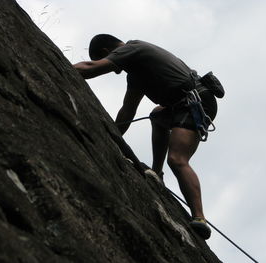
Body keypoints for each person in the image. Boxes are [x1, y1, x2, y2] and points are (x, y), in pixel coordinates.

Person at [73, 34, 219, 240]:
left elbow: (91, 68)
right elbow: (127, 111)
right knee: (157, 116)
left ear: (107, 52)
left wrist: (60, 66)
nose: (115, 70)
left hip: (195, 101)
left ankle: (200, 218)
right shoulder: (135, 75)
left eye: (104, 58)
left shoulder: (132, 49)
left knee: (177, 159)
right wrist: (111, 136)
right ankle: (157, 174)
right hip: (183, 102)